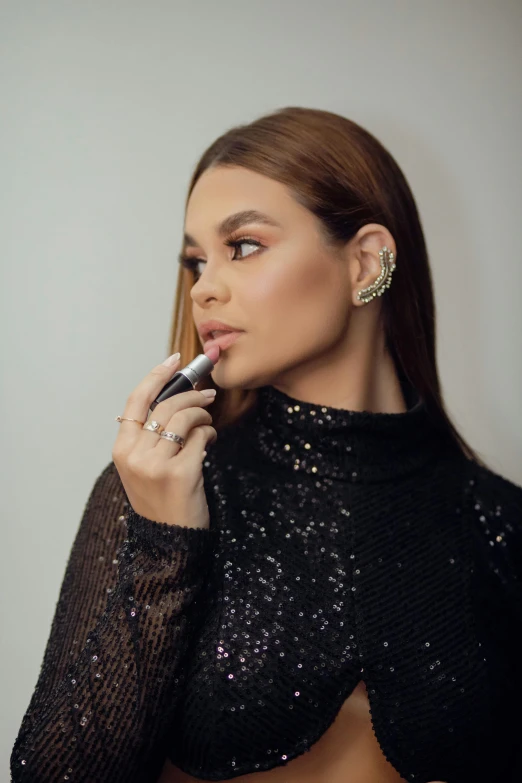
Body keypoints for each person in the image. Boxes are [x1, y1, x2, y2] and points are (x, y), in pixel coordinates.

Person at [10, 106, 522, 783]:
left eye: (243, 246)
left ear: (366, 261)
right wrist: (165, 547)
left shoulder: (499, 524)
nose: (205, 288)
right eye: (195, 260)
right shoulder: (168, 490)